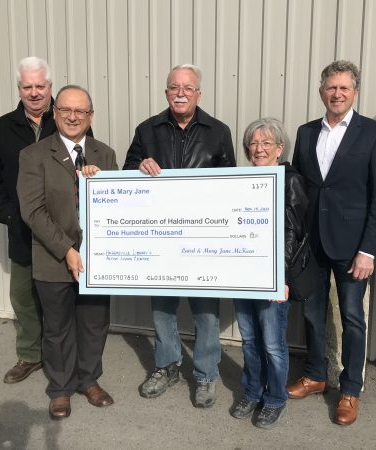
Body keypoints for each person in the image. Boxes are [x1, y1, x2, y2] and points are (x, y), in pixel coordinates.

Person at [287, 60, 376, 426]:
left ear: (354, 92)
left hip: (353, 248)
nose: (337, 94)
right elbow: (298, 188)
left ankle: (350, 388)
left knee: (352, 317)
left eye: (344, 88)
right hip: (312, 244)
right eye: (331, 88)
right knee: (313, 315)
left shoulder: (374, 134)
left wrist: (368, 249)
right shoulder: (304, 133)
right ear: (321, 92)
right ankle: (316, 375)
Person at [123, 64, 235, 408]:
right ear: (166, 92)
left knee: (206, 312)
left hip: (201, 240)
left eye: (188, 87)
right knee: (162, 309)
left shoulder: (218, 131)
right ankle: (167, 366)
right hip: (161, 240)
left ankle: (204, 374)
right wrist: (139, 167)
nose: (181, 93)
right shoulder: (147, 130)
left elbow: (232, 186)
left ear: (198, 93)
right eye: (174, 87)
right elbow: (126, 173)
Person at [17, 85, 118, 420]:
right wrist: (68, 251)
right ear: (55, 112)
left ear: (90, 116)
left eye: (81, 111)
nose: (73, 117)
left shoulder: (105, 155)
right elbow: (32, 211)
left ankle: (89, 380)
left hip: (98, 261)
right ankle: (60, 388)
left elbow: (119, 205)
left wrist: (103, 182)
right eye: (66, 110)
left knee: (93, 323)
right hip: (53, 259)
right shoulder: (33, 156)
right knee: (57, 327)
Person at [0, 56, 53, 384]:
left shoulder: (68, 121)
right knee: (23, 295)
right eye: (28, 87)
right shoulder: (1, 128)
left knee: (59, 296)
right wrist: (8, 214)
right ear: (19, 89)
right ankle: (30, 355)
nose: (34, 92)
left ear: (50, 87)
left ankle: (60, 356)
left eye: (40, 86)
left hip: (60, 230)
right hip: (22, 231)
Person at [230, 118, 307, 429]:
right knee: (249, 339)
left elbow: (293, 232)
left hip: (272, 277)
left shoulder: (290, 180)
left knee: (273, 342)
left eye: (266, 143)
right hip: (241, 274)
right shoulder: (241, 180)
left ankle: (274, 397)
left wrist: (282, 278)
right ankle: (252, 390)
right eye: (253, 142)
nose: (259, 148)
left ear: (280, 148)